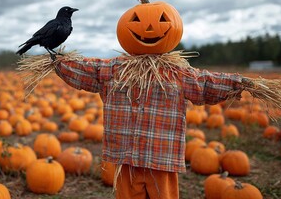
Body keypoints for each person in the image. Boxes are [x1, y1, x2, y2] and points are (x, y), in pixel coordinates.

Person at [53, 55, 249, 199]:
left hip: (161, 161)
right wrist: (57, 62)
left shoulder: (177, 73)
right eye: (137, 20)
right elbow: (89, 70)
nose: (147, 28)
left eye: (160, 21)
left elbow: (205, 84)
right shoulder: (116, 69)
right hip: (127, 159)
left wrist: (238, 83)